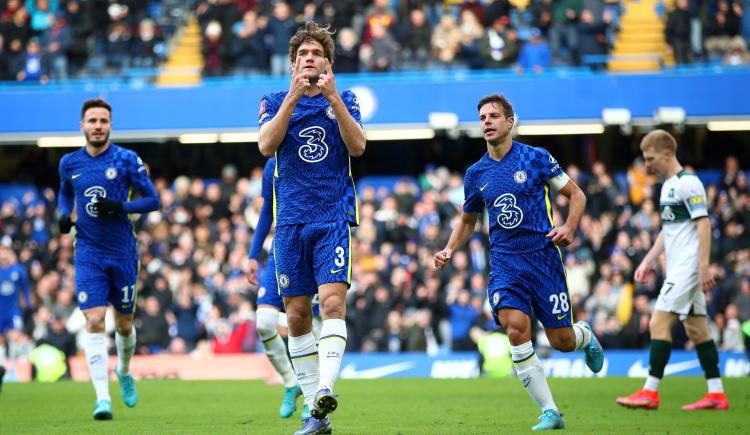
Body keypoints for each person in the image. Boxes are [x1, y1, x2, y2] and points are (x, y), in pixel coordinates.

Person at [434, 93, 603, 431]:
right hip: (505, 262)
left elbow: (576, 195)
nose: (487, 122)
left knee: (561, 342)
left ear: (510, 122)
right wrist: (450, 247)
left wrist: (569, 226)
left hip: (543, 259)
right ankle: (550, 411)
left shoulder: (535, 158)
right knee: (515, 330)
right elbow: (468, 220)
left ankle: (584, 335)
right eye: (482, 117)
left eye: (494, 116)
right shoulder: (475, 174)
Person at [257, 21, 366, 435]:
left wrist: (333, 97)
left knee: (332, 304)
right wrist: (292, 96)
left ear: (328, 62)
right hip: (289, 224)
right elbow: (267, 146)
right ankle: (314, 414)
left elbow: (358, 146)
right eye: (303, 55)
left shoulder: (346, 98)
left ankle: (323, 391)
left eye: (316, 55)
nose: (309, 60)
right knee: (297, 315)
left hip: (332, 218)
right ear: (293, 63)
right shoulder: (272, 100)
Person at [57, 98, 160, 420]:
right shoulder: (69, 163)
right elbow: (64, 192)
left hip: (123, 253)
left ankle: (124, 371)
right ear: (82, 126)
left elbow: (153, 200)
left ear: (110, 125)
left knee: (125, 325)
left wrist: (121, 208)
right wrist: (63, 214)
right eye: (92, 121)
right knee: (94, 321)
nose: (98, 126)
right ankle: (102, 399)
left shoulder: (127, 159)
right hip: (88, 252)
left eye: (103, 120)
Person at [616, 130, 729, 411]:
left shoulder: (689, 183)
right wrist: (647, 261)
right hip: (678, 268)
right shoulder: (667, 187)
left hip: (688, 270)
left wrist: (702, 268)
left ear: (667, 153)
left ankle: (650, 391)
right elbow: (668, 232)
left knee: (658, 323)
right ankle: (716, 393)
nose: (647, 164)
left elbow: (703, 225)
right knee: (697, 329)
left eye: (650, 158)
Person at [246, 156, 321, 421]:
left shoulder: (314, 153)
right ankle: (291, 383)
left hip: (316, 246)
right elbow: (268, 210)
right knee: (264, 321)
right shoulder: (271, 165)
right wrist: (253, 255)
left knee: (313, 325)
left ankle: (312, 399)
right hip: (283, 249)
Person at [0, 245, 32, 393]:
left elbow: (25, 289)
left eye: (6, 251)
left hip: (13, 310)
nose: (3, 255)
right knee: (0, 340)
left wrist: (28, 304)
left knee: (14, 338)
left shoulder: (18, 270)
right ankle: (1, 368)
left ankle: (11, 370)